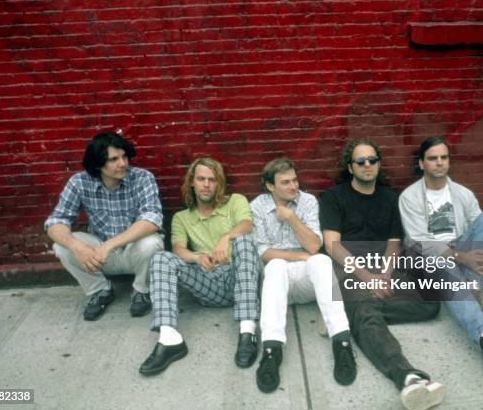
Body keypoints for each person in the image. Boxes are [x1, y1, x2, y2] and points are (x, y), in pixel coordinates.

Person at [321, 138, 445, 410]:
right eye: (361, 161)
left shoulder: (390, 198)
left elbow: (393, 242)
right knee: (365, 309)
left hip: (383, 268)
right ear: (350, 167)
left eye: (372, 160)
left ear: (379, 164)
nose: (367, 165)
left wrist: (386, 276)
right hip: (349, 271)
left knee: (429, 305)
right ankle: (407, 377)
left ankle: (360, 318)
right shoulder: (333, 197)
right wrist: (368, 278)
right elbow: (332, 245)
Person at [399, 136, 483, 373]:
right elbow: (419, 242)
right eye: (433, 158)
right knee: (446, 267)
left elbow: (481, 226)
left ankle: (470, 288)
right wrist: (465, 258)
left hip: (461, 252)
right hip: (429, 259)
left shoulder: (462, 193)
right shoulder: (409, 197)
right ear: (422, 164)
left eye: (444, 157)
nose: (439, 163)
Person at [139, 157, 261, 376]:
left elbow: (246, 225)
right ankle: (169, 339)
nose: (206, 184)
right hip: (209, 282)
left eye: (212, 180)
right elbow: (178, 248)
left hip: (241, 279)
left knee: (244, 239)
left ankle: (247, 332)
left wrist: (227, 237)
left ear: (219, 184)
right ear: (192, 183)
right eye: (201, 179)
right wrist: (197, 258)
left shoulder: (235, 201)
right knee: (160, 258)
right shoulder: (181, 217)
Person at [251, 158, 356, 393]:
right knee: (276, 266)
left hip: (308, 276)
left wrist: (291, 216)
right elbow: (263, 252)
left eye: (295, 180)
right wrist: (297, 257)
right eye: (285, 182)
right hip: (279, 283)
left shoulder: (307, 201)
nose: (293, 186)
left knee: (321, 260)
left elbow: (313, 246)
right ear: (270, 186)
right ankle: (271, 349)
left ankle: (342, 342)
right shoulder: (257, 206)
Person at [45, 132, 164, 321]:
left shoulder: (142, 178)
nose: (123, 163)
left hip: (133, 253)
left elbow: (152, 219)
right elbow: (54, 223)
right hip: (99, 258)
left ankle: (142, 290)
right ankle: (100, 290)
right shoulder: (79, 182)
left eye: (124, 156)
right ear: (98, 163)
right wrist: (79, 248)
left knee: (152, 242)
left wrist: (109, 246)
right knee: (61, 245)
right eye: (114, 159)